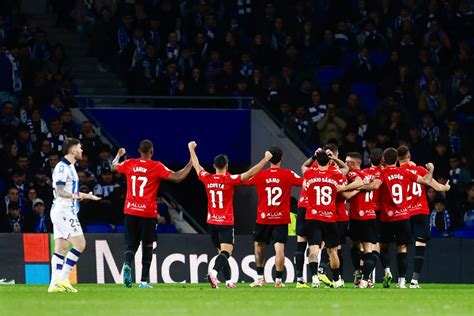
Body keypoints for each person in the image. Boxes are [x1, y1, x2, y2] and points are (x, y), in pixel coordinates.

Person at [188, 141, 272, 289]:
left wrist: (191, 149)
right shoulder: (230, 179)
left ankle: (228, 281)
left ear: (214, 166)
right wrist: (265, 160)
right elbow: (250, 173)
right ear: (227, 166)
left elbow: (196, 165)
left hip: (212, 222)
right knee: (227, 252)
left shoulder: (207, 178)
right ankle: (213, 272)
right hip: (225, 223)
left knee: (221, 252)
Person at [112, 140, 193, 289]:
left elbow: (113, 166)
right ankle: (143, 281)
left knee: (131, 244)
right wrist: (190, 163)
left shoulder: (130, 163)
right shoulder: (156, 166)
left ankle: (127, 264)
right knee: (147, 245)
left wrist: (118, 155)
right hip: (147, 213)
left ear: (139, 151)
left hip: (130, 210)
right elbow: (178, 177)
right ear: (152, 151)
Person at [363, 148, 434, 289]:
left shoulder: (383, 173)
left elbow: (375, 185)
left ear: (384, 159)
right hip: (403, 217)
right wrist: (431, 169)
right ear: (396, 159)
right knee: (402, 249)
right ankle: (402, 282)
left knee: (383, 247)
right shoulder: (406, 171)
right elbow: (426, 180)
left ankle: (384, 272)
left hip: (387, 218)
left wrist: (363, 185)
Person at [244, 146, 303, 288]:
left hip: (263, 218)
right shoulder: (288, 174)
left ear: (269, 159)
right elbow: (304, 183)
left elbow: (245, 179)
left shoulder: (260, 175)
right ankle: (278, 281)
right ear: (281, 159)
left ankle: (260, 278)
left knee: (258, 246)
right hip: (281, 218)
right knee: (279, 249)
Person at [48, 138, 101, 293]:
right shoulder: (63, 167)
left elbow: (69, 192)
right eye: (79, 148)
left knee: (61, 248)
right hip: (64, 211)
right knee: (80, 244)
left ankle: (54, 284)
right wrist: (74, 196)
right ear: (72, 151)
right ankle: (63, 279)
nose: (82, 151)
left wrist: (87, 196)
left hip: (61, 210)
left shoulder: (69, 167)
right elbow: (60, 191)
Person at [397, 146, 450, 288]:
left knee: (402, 246)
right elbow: (438, 187)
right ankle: (414, 280)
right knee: (420, 244)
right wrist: (446, 187)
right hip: (420, 211)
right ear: (409, 155)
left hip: (404, 213)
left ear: (397, 158)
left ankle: (401, 280)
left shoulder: (396, 172)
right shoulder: (420, 170)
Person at [303, 150, 352, 288]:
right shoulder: (335, 174)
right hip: (330, 218)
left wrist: (313, 156)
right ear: (328, 160)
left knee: (313, 249)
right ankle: (337, 280)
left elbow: (303, 166)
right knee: (332, 251)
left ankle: (314, 278)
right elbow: (346, 168)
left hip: (313, 217)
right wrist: (335, 158)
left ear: (317, 161)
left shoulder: (309, 173)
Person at [345, 152, 380, 289]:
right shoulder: (367, 176)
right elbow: (374, 186)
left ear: (353, 164)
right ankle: (365, 278)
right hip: (369, 216)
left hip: (358, 218)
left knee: (357, 247)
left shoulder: (353, 175)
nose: (345, 163)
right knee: (367, 250)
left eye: (347, 161)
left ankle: (361, 275)